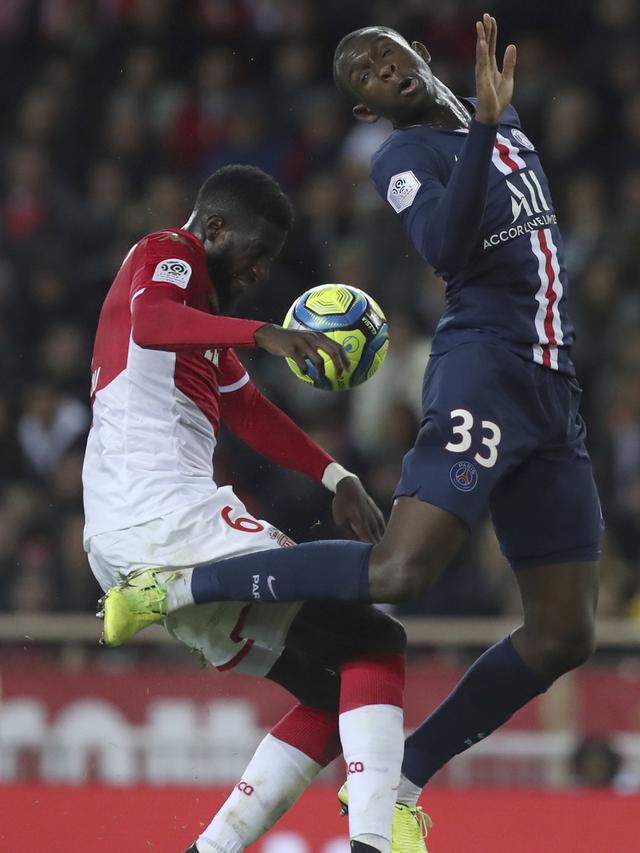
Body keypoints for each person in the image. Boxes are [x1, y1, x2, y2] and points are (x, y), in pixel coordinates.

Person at [102, 13, 603, 843]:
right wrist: (481, 125)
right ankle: (177, 587)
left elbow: (249, 407)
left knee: (565, 632)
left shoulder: (501, 114)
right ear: (369, 110)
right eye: (363, 75)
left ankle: (403, 778)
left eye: (385, 54)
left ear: (416, 52)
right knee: (399, 573)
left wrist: (334, 475)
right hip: (486, 369)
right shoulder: (402, 156)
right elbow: (449, 245)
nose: (379, 69)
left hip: (555, 388)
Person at [85, 164, 422, 853]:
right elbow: (150, 322)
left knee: (345, 684)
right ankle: (376, 838)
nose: (260, 271)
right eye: (254, 252)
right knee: (372, 617)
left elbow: (245, 407)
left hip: (133, 528)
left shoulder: (200, 323)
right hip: (163, 515)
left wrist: (335, 475)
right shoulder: (164, 254)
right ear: (212, 228)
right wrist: (266, 333)